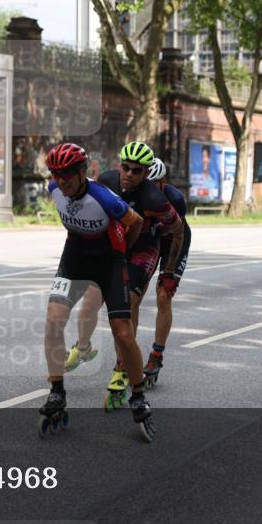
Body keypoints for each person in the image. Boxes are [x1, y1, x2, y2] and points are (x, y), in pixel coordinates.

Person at [40, 142, 156, 442]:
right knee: (53, 321)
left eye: (68, 174)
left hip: (109, 263)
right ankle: (56, 392)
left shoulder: (104, 198)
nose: (61, 180)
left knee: (123, 333)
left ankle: (138, 394)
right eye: (56, 174)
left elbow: (137, 221)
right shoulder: (53, 188)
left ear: (82, 172)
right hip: (74, 259)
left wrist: (123, 251)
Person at [64, 142, 182, 403]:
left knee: (128, 307)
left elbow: (178, 230)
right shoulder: (106, 180)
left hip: (144, 250)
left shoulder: (154, 198)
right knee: (90, 303)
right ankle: (82, 347)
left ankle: (121, 370)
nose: (129, 174)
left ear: (145, 172)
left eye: (136, 171)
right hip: (118, 245)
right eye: (125, 167)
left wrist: (169, 269)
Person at [144, 159, 190, 387]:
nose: (149, 189)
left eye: (154, 184)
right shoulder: (135, 192)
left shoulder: (175, 199)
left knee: (163, 295)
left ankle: (156, 355)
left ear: (163, 182)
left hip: (175, 240)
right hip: (152, 239)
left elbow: (177, 235)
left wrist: (169, 273)